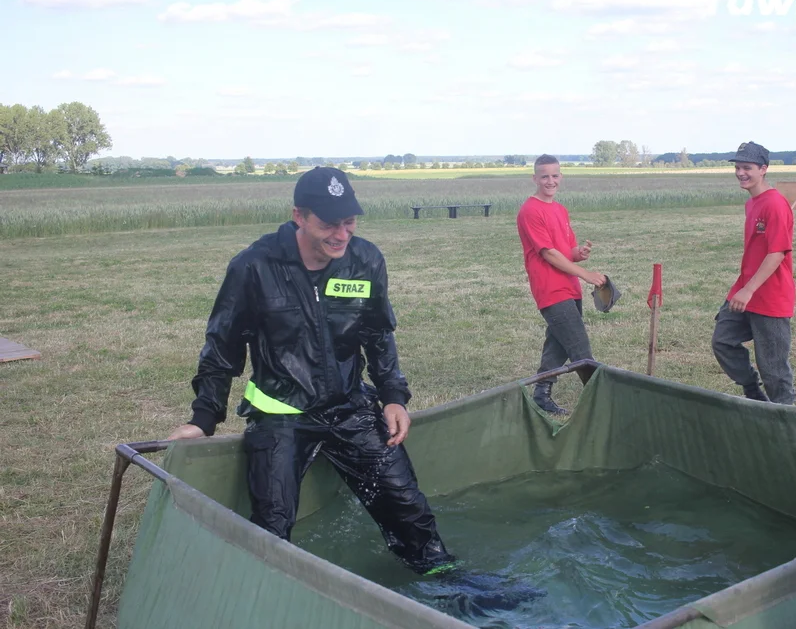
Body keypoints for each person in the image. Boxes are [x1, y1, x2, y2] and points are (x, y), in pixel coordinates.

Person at [166, 166, 457, 576]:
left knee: (408, 509)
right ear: (298, 216)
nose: (341, 234)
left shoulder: (365, 260)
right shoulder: (254, 266)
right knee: (272, 527)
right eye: (328, 224)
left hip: (350, 408)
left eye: (349, 222)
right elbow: (222, 346)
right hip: (282, 413)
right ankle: (271, 598)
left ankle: (446, 587)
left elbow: (377, 334)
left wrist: (393, 395)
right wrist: (203, 418)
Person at [516, 154, 607, 416]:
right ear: (534, 178)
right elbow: (548, 254)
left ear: (561, 177)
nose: (550, 180)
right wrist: (585, 273)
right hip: (551, 289)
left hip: (568, 287)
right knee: (581, 350)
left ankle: (541, 394)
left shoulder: (560, 209)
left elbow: (563, 250)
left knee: (557, 345)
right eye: (544, 176)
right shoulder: (530, 210)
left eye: (555, 175)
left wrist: (578, 253)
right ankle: (602, 402)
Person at [711, 140, 796, 404]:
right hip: (745, 291)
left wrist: (748, 290)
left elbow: (777, 253)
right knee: (723, 341)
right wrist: (743, 289)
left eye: (747, 167)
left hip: (769, 297)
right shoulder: (753, 203)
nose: (740, 173)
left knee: (773, 369)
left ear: (763, 169)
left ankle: (787, 420)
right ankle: (753, 392)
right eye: (737, 167)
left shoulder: (775, 204)